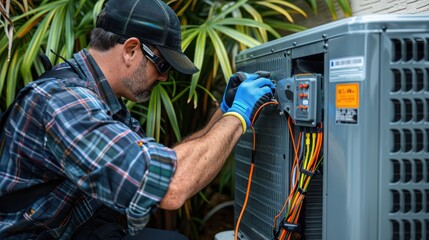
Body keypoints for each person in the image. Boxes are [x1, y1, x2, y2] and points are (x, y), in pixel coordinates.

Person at [0, 0, 274, 239]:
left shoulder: (106, 104)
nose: (165, 77)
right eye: (163, 65)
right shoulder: (65, 102)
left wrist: (223, 112)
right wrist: (238, 116)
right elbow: (172, 186)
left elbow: (167, 162)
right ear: (131, 49)